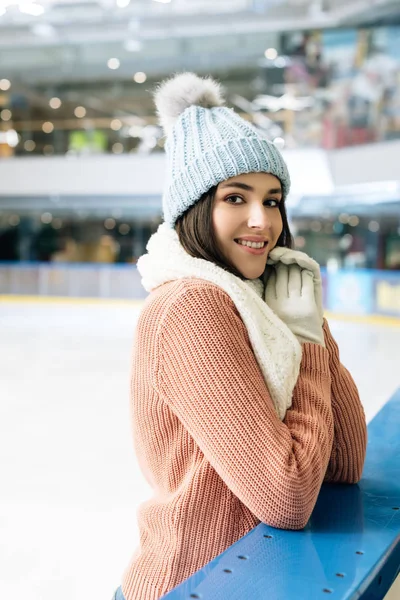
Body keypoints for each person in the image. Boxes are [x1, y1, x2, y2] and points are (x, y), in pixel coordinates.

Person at [112, 72, 367, 600]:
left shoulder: (255, 302)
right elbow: (289, 496)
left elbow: (343, 462)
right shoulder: (193, 307)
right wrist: (305, 342)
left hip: (255, 577)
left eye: (273, 201)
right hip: (193, 581)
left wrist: (309, 329)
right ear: (195, 208)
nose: (262, 220)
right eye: (236, 198)